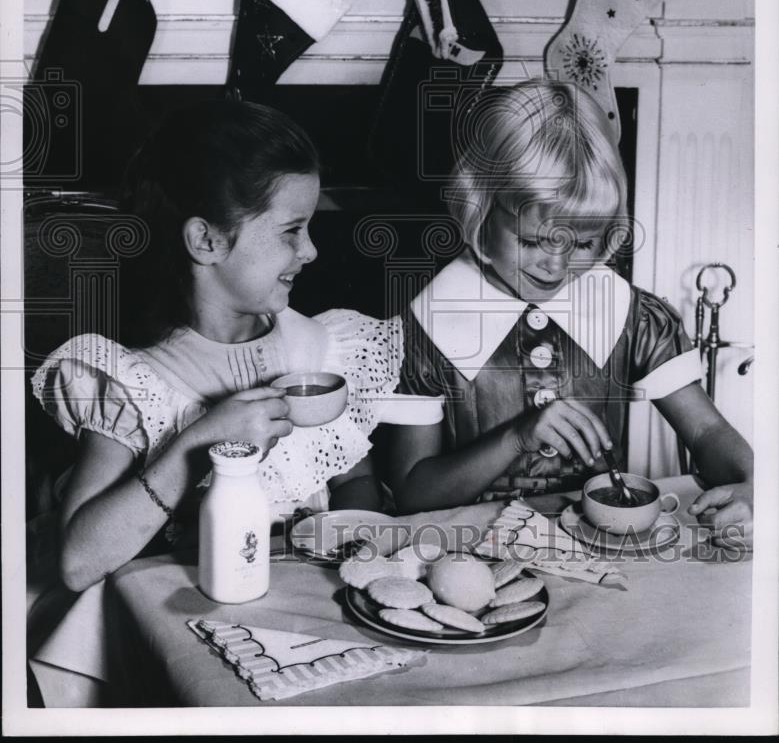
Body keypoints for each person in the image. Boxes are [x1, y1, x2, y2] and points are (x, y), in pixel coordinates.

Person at [31, 99, 400, 597]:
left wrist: (359, 542)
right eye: (292, 230)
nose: (310, 250)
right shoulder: (134, 383)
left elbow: (353, 478)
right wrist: (195, 445)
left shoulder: (320, 350)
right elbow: (77, 563)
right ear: (205, 241)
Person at [388, 80, 753, 548]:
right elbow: (412, 494)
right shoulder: (424, 330)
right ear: (479, 207)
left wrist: (753, 484)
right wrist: (516, 437)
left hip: (603, 550)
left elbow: (706, 430)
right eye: (531, 241)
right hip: (468, 556)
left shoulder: (635, 317)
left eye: (582, 244)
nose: (557, 267)